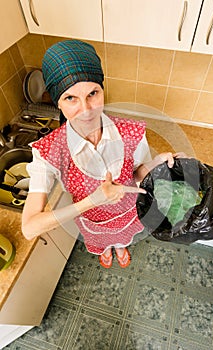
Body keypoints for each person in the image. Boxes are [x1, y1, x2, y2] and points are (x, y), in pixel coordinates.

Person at [22, 39, 179, 269]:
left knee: (121, 238)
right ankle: (106, 248)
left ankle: (119, 245)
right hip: (92, 221)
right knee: (102, 241)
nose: (86, 110)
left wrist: (155, 163)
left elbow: (137, 175)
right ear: (58, 103)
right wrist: (92, 201)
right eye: (70, 98)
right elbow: (29, 228)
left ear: (102, 90)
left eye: (92, 93)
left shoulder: (131, 132)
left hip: (127, 212)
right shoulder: (48, 152)